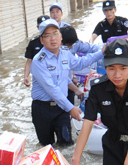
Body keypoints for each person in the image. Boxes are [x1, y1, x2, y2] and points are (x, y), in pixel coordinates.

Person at [30, 19, 104, 147]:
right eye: (47, 36)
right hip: (42, 109)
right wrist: (71, 108)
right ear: (42, 40)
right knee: (46, 147)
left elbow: (80, 63)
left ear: (61, 36)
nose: (53, 38)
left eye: (55, 33)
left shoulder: (65, 53)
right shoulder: (38, 61)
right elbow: (52, 89)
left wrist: (101, 53)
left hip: (61, 108)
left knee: (66, 145)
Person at [23, 15, 50, 87]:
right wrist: (26, 76)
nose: (44, 29)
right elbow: (29, 61)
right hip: (39, 77)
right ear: (38, 27)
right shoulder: (33, 42)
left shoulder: (57, 41)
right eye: (41, 26)